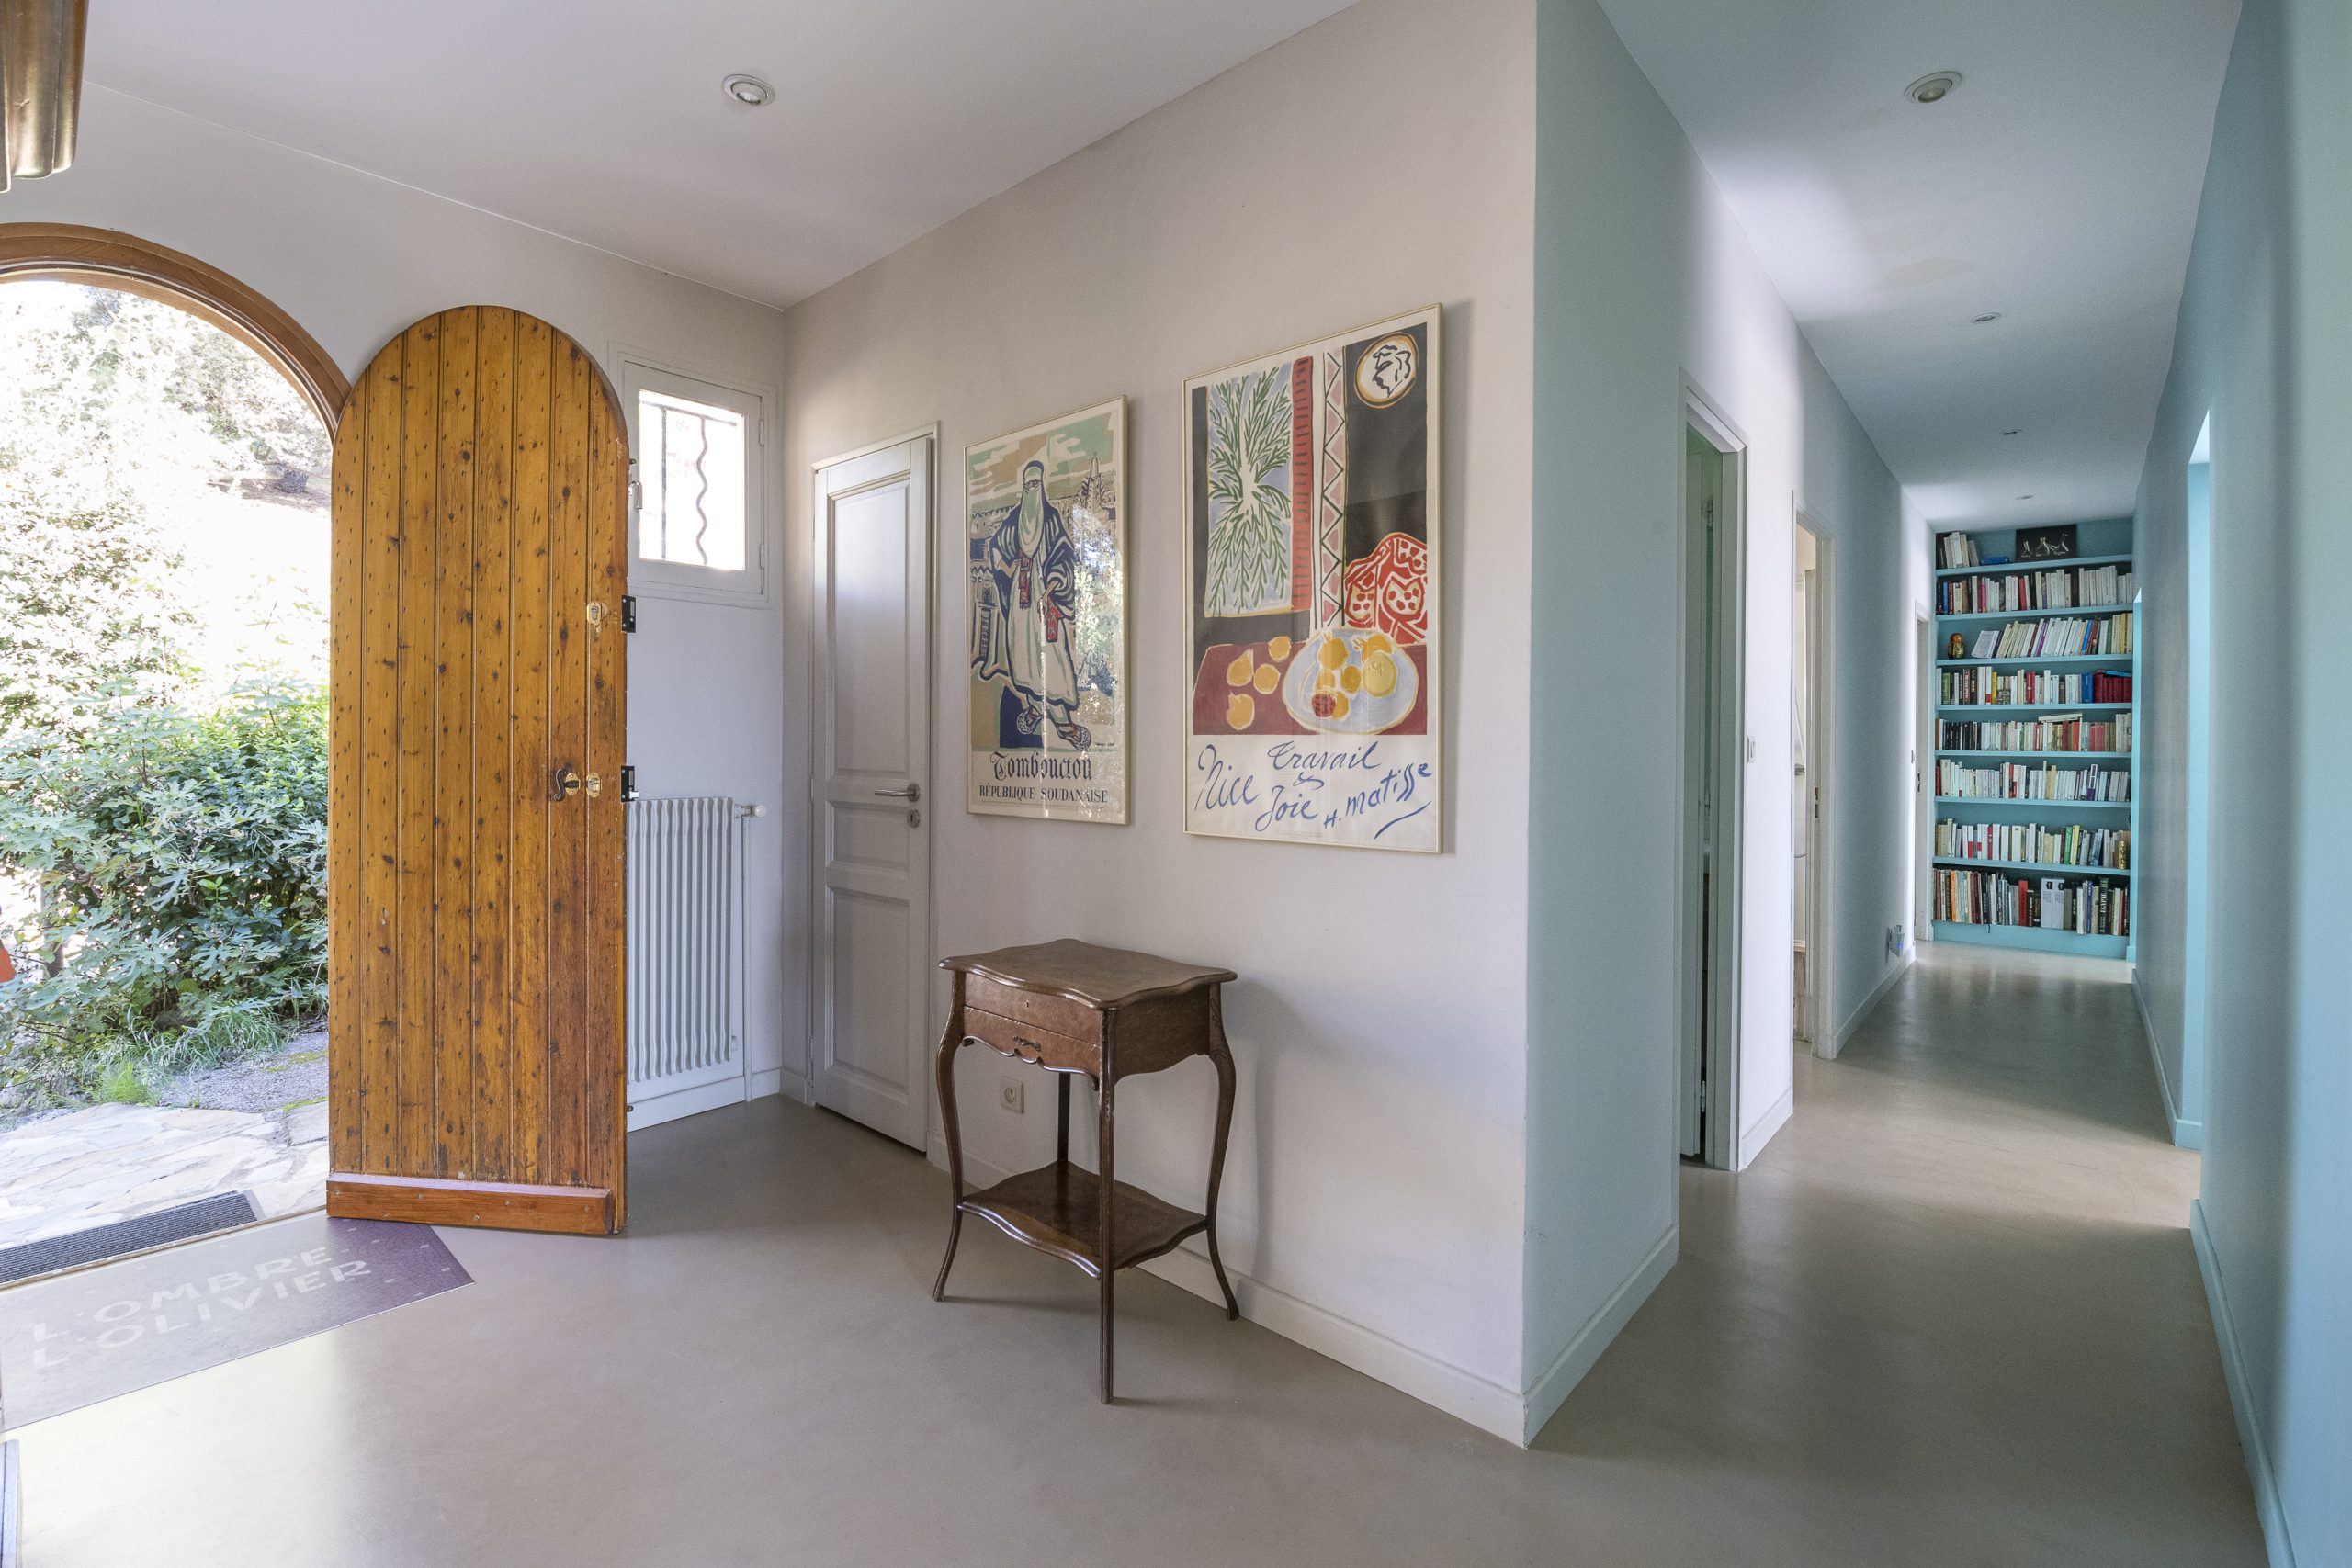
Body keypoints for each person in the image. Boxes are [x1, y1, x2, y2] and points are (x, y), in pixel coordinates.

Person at [973, 458, 1089, 748]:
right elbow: (996, 546)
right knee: (1024, 658)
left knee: (1053, 660)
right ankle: (1036, 708)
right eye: (1028, 485)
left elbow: (1063, 556)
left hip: (1043, 602)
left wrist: (1048, 591)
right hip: (1019, 603)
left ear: (1042, 485)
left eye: (1037, 484)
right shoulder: (1015, 519)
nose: (1032, 489)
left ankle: (1064, 724)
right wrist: (1008, 567)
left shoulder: (1050, 519)